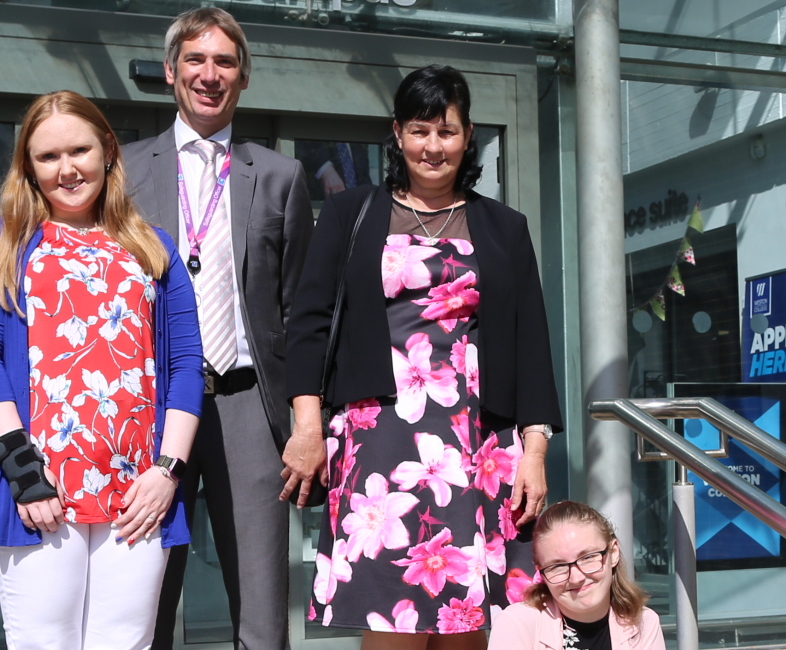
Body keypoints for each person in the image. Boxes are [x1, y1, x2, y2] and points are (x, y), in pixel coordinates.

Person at [283, 64, 561, 649]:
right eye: (419, 130)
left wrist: (533, 451)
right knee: (395, 615)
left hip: (478, 442)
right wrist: (307, 427)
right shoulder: (349, 215)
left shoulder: (505, 227)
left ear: (467, 139)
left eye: (448, 131)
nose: (433, 146)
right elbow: (307, 325)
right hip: (379, 437)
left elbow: (531, 341)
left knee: (466, 619)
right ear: (397, 134)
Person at [0, 90, 206, 650]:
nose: (67, 169)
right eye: (47, 157)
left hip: (137, 494)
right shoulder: (3, 244)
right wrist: (23, 472)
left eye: (79, 150)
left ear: (107, 150)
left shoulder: (152, 249)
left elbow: (188, 365)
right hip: (39, 492)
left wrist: (166, 472)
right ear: (28, 166)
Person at [123, 8, 312, 650]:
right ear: (172, 71)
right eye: (196, 60)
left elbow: (300, 311)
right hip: (150, 409)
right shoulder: (123, 171)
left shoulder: (280, 176)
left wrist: (305, 422)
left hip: (246, 406)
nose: (210, 75)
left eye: (225, 62)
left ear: (244, 77)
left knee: (261, 610)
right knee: (143, 601)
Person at [488, 502, 663, 650]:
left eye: (587, 558)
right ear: (540, 570)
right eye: (558, 566)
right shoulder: (517, 625)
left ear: (614, 552)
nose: (576, 578)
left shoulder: (644, 623)